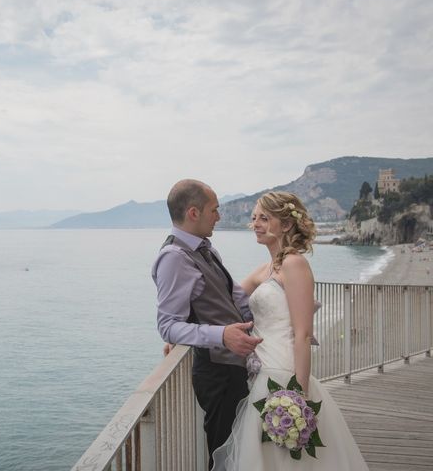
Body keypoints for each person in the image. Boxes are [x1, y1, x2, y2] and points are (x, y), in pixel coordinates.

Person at [211, 191, 369, 470]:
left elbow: (303, 333)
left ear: (285, 224)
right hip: (259, 372)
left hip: (284, 376)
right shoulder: (266, 269)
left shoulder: (295, 264)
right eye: (253, 218)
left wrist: (300, 395)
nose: (255, 224)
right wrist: (185, 333)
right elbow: (223, 300)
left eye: (264, 218)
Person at [152, 179, 262, 468]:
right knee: (223, 454)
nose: (219, 216)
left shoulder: (205, 249)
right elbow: (167, 325)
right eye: (214, 210)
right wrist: (222, 336)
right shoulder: (173, 258)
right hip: (217, 373)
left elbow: (233, 294)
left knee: (240, 450)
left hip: (235, 364)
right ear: (193, 213)